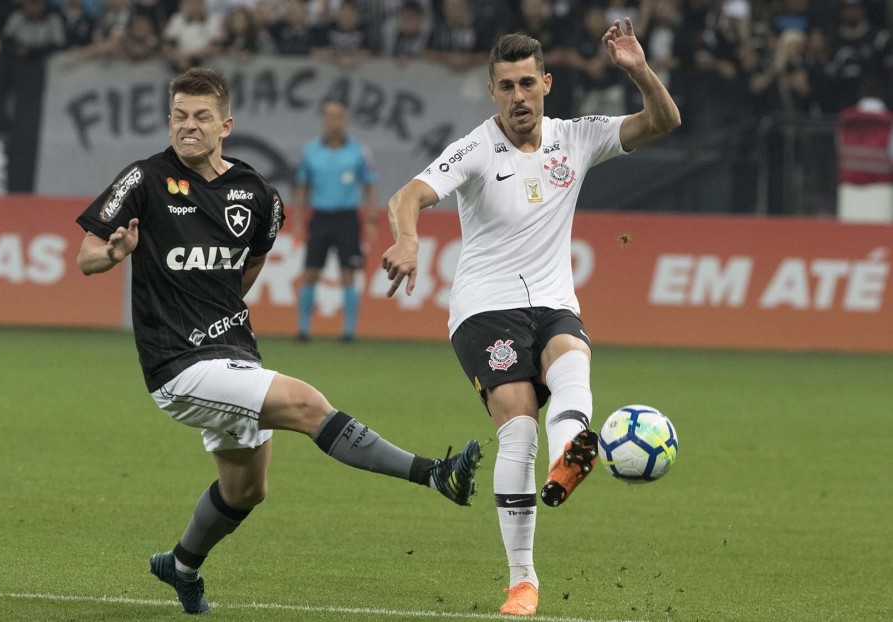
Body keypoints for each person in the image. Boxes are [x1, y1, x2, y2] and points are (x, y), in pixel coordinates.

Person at [75, 67, 482, 616]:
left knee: (246, 489)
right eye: (178, 116)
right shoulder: (144, 179)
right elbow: (86, 256)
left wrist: (222, 303)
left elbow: (257, 254)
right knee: (307, 403)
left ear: (226, 124)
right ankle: (433, 473)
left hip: (235, 353)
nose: (187, 127)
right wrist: (115, 253)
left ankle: (182, 565)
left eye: (200, 117)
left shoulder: (254, 192)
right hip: (178, 365)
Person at [382, 22, 680, 616]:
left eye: (527, 83)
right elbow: (407, 195)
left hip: (551, 300)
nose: (518, 96)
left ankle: (569, 456)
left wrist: (638, 70)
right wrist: (408, 240)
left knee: (573, 356)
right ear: (493, 93)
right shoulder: (474, 148)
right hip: (484, 308)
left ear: (546, 83)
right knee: (517, 422)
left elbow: (664, 122)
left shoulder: (577, 137)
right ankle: (523, 580)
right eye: (505, 87)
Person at [292, 100, 378, 343]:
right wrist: (298, 220)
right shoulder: (310, 151)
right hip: (320, 217)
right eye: (329, 116)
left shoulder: (359, 152)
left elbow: (370, 185)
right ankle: (303, 329)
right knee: (310, 272)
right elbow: (302, 188)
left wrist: (371, 218)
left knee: (348, 273)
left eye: (338, 116)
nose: (334, 121)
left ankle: (349, 331)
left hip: (347, 218)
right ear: (323, 120)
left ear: (346, 119)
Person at [835, 72, 893, 222]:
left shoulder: (846, 119)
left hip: (850, 184)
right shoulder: (888, 122)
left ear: (861, 94)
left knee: (850, 235)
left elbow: (839, 147)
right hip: (880, 187)